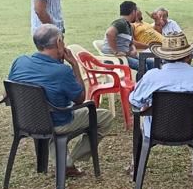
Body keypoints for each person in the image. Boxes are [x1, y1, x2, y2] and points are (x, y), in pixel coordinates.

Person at [8, 25, 115, 177]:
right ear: (59, 42)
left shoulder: (20, 62)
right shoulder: (61, 71)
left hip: (26, 120)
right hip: (56, 122)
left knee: (56, 113)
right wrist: (75, 65)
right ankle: (70, 161)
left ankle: (64, 161)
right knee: (105, 117)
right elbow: (80, 99)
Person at [129, 32, 193, 149]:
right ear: (189, 56)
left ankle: (137, 162)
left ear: (162, 57)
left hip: (155, 130)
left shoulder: (151, 76)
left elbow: (135, 101)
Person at [102, 1, 152, 72]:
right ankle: (141, 83)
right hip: (114, 57)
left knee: (151, 63)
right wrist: (116, 52)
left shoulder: (128, 26)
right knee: (142, 65)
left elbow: (131, 43)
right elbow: (109, 33)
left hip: (125, 56)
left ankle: (152, 82)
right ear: (133, 12)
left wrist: (133, 50)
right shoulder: (121, 23)